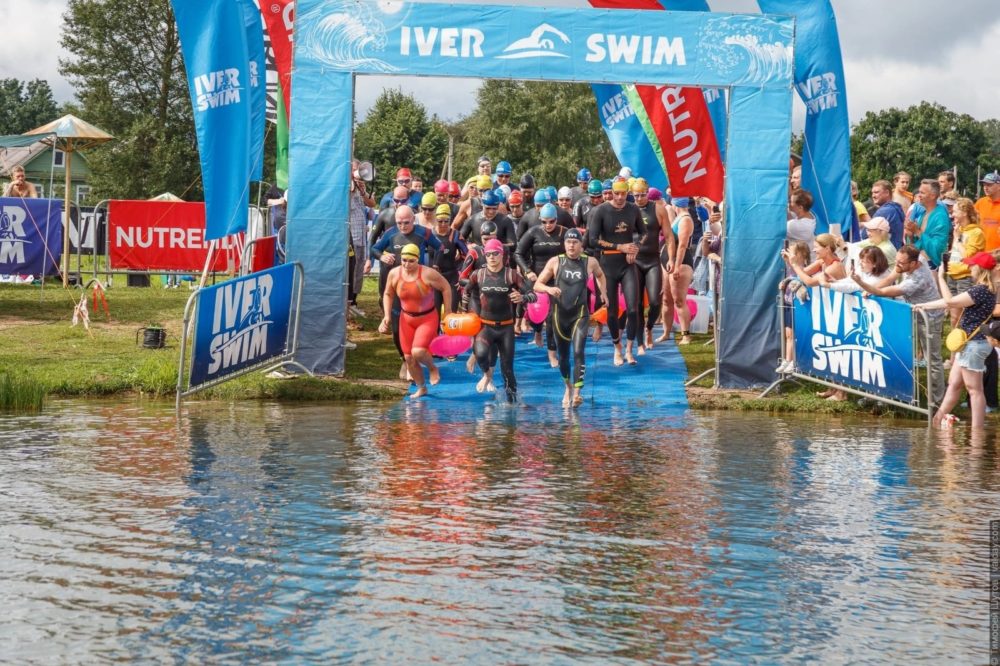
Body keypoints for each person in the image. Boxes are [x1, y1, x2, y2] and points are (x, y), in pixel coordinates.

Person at [852, 244, 945, 408]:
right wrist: (872, 289)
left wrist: (862, 284)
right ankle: (892, 394)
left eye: (901, 263)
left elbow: (884, 292)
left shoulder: (918, 280)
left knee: (933, 360)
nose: (897, 265)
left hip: (930, 318)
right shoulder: (913, 258)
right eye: (896, 261)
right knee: (897, 352)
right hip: (913, 313)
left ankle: (936, 403)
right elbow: (888, 280)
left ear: (914, 264)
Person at [913, 252, 997, 428]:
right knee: (954, 383)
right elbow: (949, 303)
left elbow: (950, 302)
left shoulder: (980, 290)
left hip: (974, 345)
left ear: (979, 269)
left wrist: (942, 278)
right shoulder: (985, 290)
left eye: (972, 265)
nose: (969, 267)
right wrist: (924, 306)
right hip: (970, 344)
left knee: (975, 390)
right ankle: (937, 421)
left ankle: (977, 434)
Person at [534, 228, 607, 408]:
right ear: (564, 244)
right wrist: (549, 289)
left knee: (578, 352)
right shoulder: (555, 262)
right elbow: (537, 284)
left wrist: (603, 292)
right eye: (568, 242)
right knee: (564, 357)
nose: (572, 245)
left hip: (580, 314)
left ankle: (577, 393)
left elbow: (600, 275)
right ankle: (567, 387)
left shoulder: (589, 262)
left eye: (575, 242)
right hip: (560, 316)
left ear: (581, 245)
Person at [465, 238, 537, 402]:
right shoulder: (478, 274)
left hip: (506, 329)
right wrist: (465, 314)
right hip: (486, 327)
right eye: (488, 254)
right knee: (481, 355)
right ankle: (487, 375)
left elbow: (533, 295)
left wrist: (523, 297)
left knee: (507, 370)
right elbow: (466, 292)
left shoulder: (511, 275)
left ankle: (512, 405)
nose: (491, 257)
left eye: (495, 254)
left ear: (502, 254)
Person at [379, 244, 453, 399]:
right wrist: (386, 316)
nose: (407, 264)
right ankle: (421, 387)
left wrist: (447, 311)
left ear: (418, 260)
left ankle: (432, 368)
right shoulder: (394, 274)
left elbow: (446, 287)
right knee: (409, 358)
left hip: (427, 318)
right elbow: (387, 294)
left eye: (411, 261)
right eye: (404, 260)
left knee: (418, 351)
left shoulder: (427, 274)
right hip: (406, 319)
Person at [587, 179, 646, 366]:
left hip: (627, 264)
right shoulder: (601, 211)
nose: (620, 197)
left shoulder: (633, 209)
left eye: (623, 193)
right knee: (611, 312)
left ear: (627, 192)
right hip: (608, 265)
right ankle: (617, 348)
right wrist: (619, 246)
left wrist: (635, 248)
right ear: (611, 192)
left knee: (634, 308)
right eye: (617, 193)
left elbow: (644, 233)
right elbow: (593, 240)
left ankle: (629, 350)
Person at [515, 202, 566, 365]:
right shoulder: (533, 232)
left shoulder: (564, 232)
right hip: (538, 280)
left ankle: (552, 354)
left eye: (551, 221)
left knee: (552, 318)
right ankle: (537, 332)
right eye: (544, 222)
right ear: (540, 220)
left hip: (557, 280)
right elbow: (518, 253)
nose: (548, 225)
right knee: (536, 317)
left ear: (556, 219)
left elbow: (578, 250)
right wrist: (527, 271)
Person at [631, 178, 671, 350]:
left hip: (652, 260)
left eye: (642, 195)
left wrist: (671, 258)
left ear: (648, 194)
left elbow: (669, 236)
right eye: (636, 195)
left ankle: (649, 328)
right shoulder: (628, 211)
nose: (639, 198)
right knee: (637, 303)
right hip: (634, 262)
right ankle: (640, 342)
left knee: (655, 301)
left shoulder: (659, 209)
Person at [660, 197, 700, 346]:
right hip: (668, 260)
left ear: (675, 204)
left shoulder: (685, 220)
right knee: (666, 299)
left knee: (679, 300)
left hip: (680, 262)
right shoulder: (678, 218)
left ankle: (686, 335)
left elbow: (682, 246)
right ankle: (666, 332)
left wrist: (676, 266)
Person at [944, 198, 986, 325]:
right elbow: (955, 251)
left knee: (963, 316)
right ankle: (954, 342)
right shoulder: (959, 230)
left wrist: (957, 239)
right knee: (954, 316)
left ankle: (964, 341)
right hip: (952, 275)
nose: (952, 215)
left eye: (955, 211)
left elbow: (968, 256)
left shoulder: (976, 232)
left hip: (966, 277)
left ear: (964, 213)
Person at [348, 159, 375, 316]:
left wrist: (363, 191)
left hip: (361, 235)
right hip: (350, 236)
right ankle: (348, 302)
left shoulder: (361, 187)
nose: (358, 173)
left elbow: (371, 203)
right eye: (355, 170)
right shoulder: (346, 187)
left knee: (358, 270)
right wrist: (352, 184)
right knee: (350, 270)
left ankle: (354, 302)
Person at [431, 203, 467, 314]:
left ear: (450, 220)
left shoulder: (455, 235)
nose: (443, 224)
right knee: (434, 312)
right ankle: (435, 331)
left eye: (446, 221)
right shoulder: (429, 234)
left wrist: (462, 275)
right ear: (435, 220)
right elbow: (420, 256)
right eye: (440, 221)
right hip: (434, 278)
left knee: (451, 312)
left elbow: (467, 256)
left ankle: (451, 332)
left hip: (451, 277)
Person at [906, 179, 950, 269]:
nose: (919, 196)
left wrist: (917, 231)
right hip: (918, 263)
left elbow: (937, 248)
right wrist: (910, 234)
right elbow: (916, 242)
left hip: (930, 267)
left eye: (922, 193)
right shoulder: (923, 213)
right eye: (919, 192)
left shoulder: (940, 217)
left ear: (933, 196)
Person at [868, 180, 905, 248]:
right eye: (872, 193)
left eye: (876, 192)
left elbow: (866, 234)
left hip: (885, 253)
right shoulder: (895, 208)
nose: (873, 195)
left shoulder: (884, 211)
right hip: (894, 250)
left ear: (887, 193)